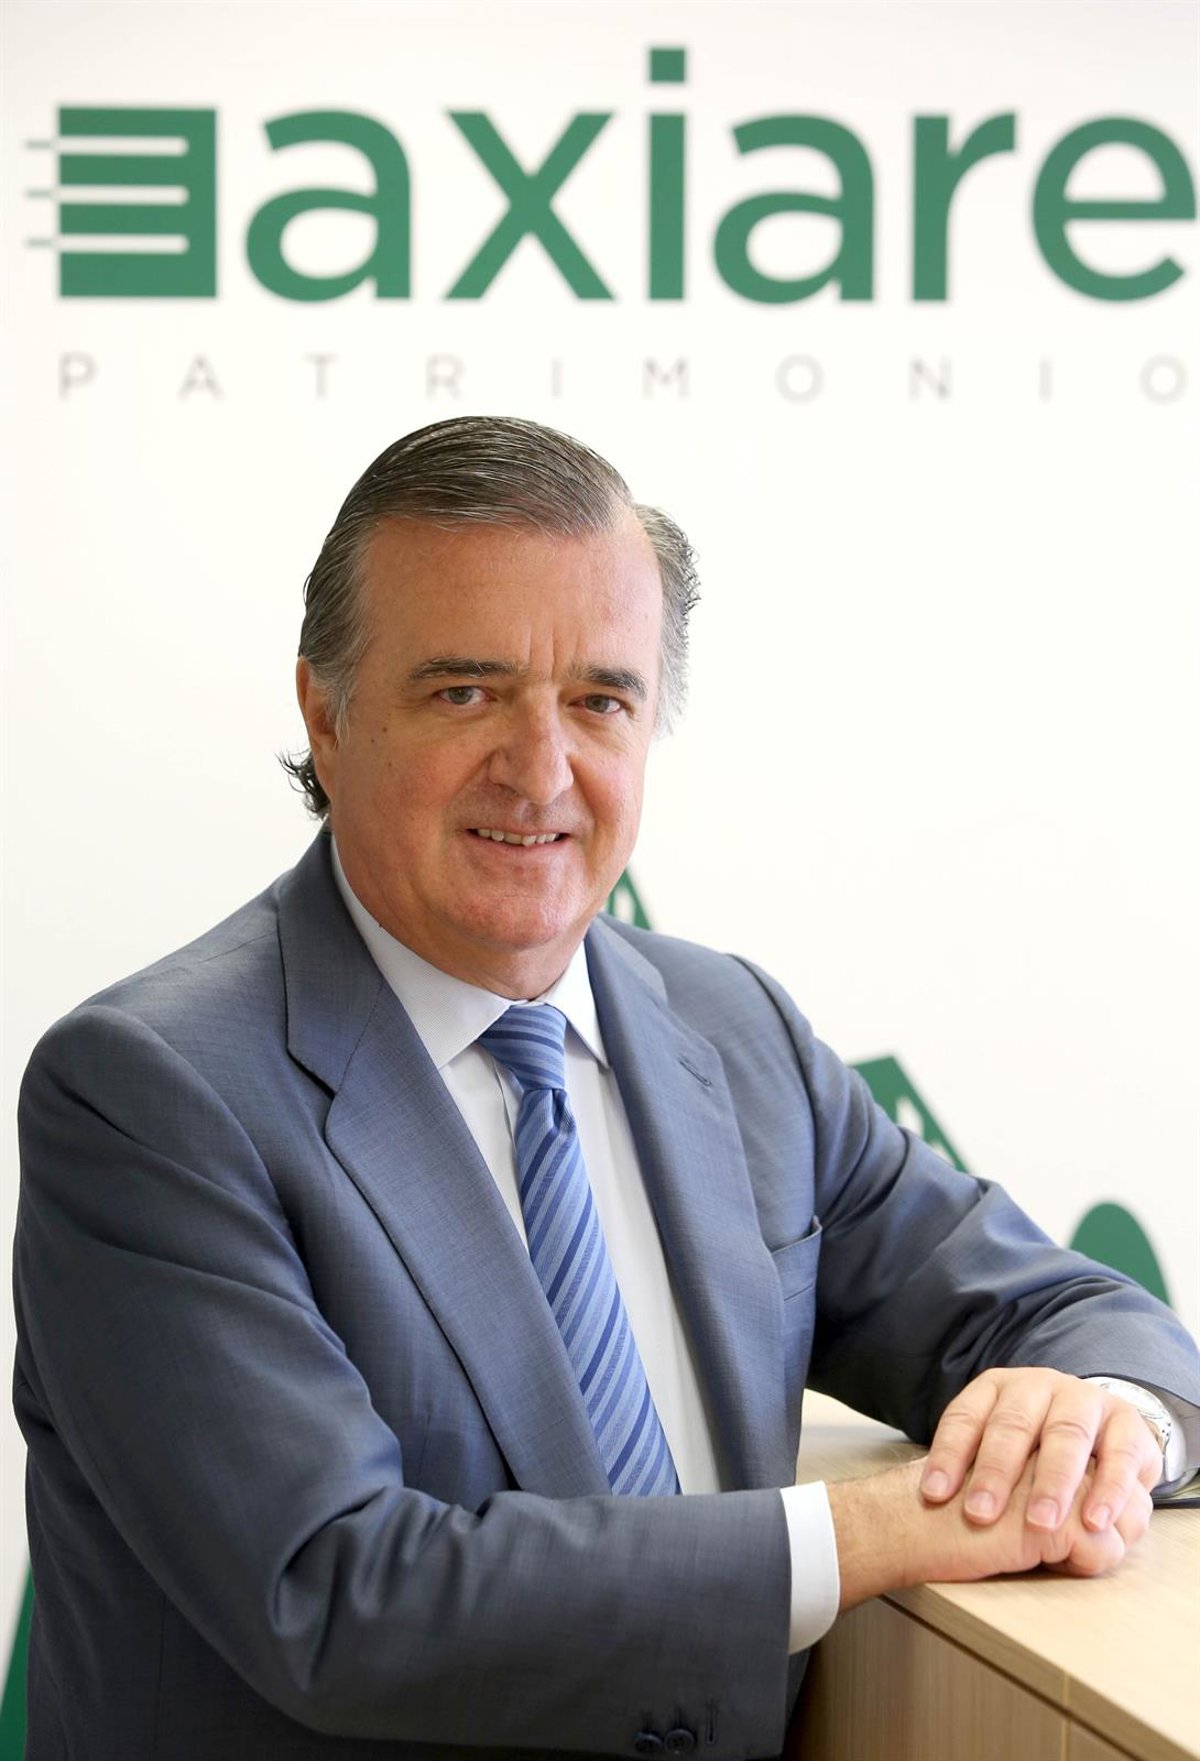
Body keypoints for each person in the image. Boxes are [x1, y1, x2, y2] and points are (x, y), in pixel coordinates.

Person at [14, 416, 1198, 1760]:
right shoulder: (152, 1094)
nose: (541, 770)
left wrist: (1105, 1426)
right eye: (466, 693)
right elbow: (339, 1595)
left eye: (599, 701)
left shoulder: (733, 1031)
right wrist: (869, 1531)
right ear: (326, 716)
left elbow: (1072, 1311)